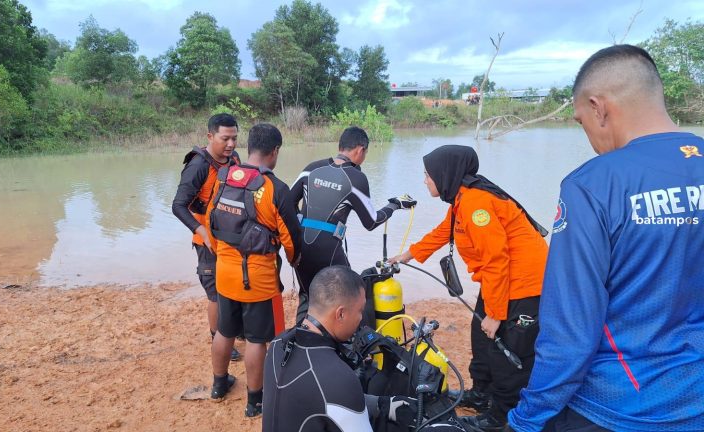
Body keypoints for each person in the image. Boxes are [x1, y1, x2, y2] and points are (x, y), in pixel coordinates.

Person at [506, 45, 704, 432]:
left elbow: (570, 334)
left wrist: (527, 419)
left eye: (581, 122)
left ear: (599, 108)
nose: (590, 138)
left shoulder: (593, 184)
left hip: (619, 406)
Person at [389, 145, 548, 432]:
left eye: (427, 175)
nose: (425, 181)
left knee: (506, 350)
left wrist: (497, 314)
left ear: (444, 174)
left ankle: (499, 417)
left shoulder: (476, 204)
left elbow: (497, 259)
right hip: (499, 280)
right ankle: (480, 394)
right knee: (481, 336)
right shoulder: (462, 199)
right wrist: (408, 255)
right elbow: (442, 232)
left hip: (524, 284)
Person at [263, 266, 461, 432]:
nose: (361, 320)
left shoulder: (277, 344)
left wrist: (384, 405)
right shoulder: (338, 377)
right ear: (340, 314)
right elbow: (333, 395)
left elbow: (313, 399)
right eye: (359, 311)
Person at [205, 123, 302, 418]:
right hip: (259, 282)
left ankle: (219, 385)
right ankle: (255, 401)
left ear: (249, 147)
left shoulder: (224, 178)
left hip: (225, 274)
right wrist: (295, 261)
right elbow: (291, 241)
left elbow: (211, 223)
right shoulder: (275, 189)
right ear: (274, 152)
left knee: (224, 331)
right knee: (259, 340)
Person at [290, 126, 416, 322]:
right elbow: (371, 221)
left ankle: (300, 341)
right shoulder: (356, 178)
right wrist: (395, 205)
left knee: (308, 296)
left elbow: (288, 203)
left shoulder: (311, 168)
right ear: (360, 150)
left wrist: (299, 233)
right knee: (350, 294)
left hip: (301, 247)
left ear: (340, 146)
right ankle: (346, 345)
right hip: (329, 250)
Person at [171, 113, 241, 361]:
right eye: (225, 139)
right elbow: (178, 206)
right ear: (210, 136)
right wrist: (202, 232)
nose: (231, 144)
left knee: (234, 286)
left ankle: (234, 329)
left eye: (234, 138)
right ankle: (217, 338)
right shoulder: (198, 166)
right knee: (216, 295)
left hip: (230, 239)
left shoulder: (234, 159)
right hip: (207, 242)